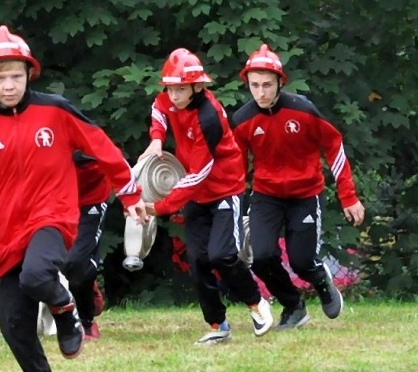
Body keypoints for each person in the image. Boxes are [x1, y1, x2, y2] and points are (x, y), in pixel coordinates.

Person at [0, 27, 141, 372]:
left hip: (53, 217)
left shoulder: (55, 110)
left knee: (37, 275)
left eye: (15, 76)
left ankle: (66, 308)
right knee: (13, 324)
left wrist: (130, 193)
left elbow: (101, 146)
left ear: (29, 74)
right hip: (4, 234)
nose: (8, 85)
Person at [134, 48, 274, 344]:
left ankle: (256, 304)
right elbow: (157, 108)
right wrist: (157, 140)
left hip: (224, 189)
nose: (173, 95)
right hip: (195, 192)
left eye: (180, 89)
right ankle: (217, 325)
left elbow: (199, 174)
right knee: (197, 261)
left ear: (198, 86)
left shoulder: (208, 116)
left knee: (222, 255)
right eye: (170, 88)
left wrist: (159, 208)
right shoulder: (170, 99)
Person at [228, 44, 364, 328]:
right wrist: (231, 205)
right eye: (254, 85)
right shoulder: (242, 120)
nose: (261, 92)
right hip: (266, 195)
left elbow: (334, 145)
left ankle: (320, 280)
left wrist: (348, 195)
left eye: (267, 84)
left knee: (302, 261)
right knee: (261, 257)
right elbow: (235, 167)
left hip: (305, 195)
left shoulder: (303, 110)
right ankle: (293, 306)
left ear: (280, 82)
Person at [65, 156, 112, 341]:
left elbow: (116, 162)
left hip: (91, 199)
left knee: (77, 263)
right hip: (56, 200)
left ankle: (86, 320)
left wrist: (131, 199)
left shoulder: (89, 137)